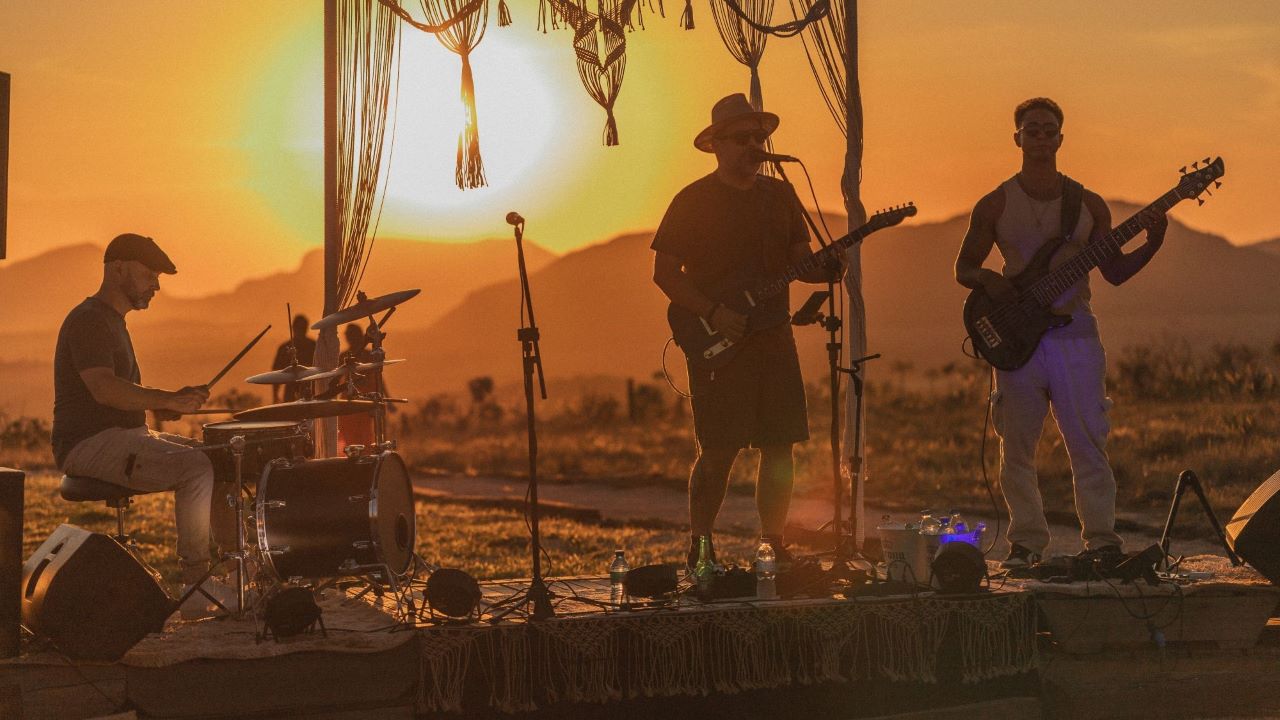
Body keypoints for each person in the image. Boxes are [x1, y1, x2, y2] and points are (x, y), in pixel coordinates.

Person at [953, 98, 1168, 568]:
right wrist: (992, 280)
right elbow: (964, 267)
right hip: (1017, 341)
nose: (1042, 139)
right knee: (1017, 447)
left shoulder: (1087, 205)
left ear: (1061, 139)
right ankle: (1026, 542)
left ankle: (1102, 542)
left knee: (1088, 440)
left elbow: (1113, 271)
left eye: (1050, 131)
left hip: (1077, 336)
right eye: (1033, 131)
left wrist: (1154, 241)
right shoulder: (995, 203)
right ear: (1018, 138)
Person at [651, 93, 843, 570]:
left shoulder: (780, 195)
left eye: (760, 137)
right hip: (718, 339)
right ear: (717, 144)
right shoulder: (693, 200)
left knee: (780, 444)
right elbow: (665, 273)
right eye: (743, 138)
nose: (755, 145)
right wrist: (713, 312)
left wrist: (827, 267)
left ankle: (772, 543)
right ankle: (700, 546)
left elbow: (801, 261)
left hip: (774, 337)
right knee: (718, 449)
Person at [52, 233, 233, 617]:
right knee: (195, 467)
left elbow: (124, 396)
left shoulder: (113, 321)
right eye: (150, 274)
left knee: (217, 458)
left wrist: (165, 405)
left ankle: (231, 571)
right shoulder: (89, 321)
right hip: (88, 445)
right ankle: (197, 586)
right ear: (118, 268)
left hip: (123, 436)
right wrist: (167, 399)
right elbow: (103, 389)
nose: (156, 285)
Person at [270, 314, 316, 403]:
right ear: (293, 328)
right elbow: (276, 372)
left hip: (310, 390)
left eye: (302, 328)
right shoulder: (284, 348)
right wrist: (275, 395)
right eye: (299, 327)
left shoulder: (313, 346)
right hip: (290, 391)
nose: (300, 330)